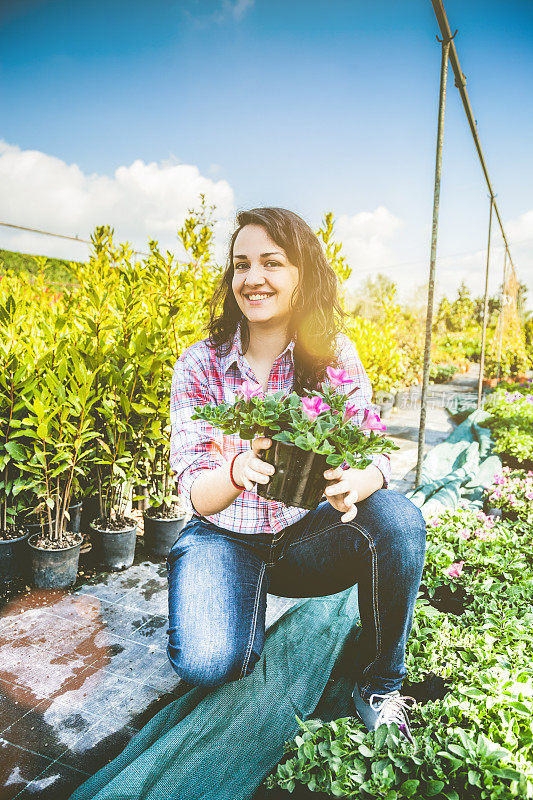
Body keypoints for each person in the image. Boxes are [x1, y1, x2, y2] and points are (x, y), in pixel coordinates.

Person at [167, 207, 426, 742]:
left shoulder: (332, 358)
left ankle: (380, 683)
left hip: (302, 540)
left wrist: (363, 480)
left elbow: (376, 450)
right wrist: (236, 469)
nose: (252, 278)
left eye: (271, 262)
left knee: (398, 520)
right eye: (241, 265)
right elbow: (194, 488)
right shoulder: (200, 365)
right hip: (223, 535)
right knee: (209, 661)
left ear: (300, 275)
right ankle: (233, 595)